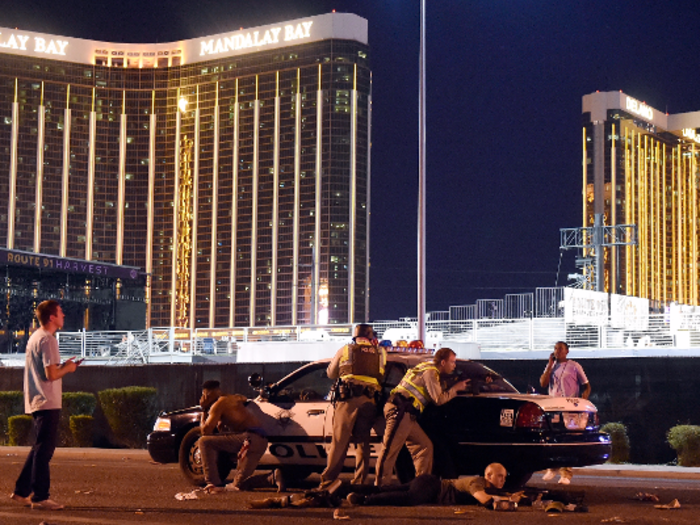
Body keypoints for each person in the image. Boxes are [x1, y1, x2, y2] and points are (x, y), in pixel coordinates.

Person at [11, 300, 80, 511]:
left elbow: (45, 371)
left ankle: (22, 491)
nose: (63, 316)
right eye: (60, 312)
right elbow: (51, 375)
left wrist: (63, 366)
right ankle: (40, 497)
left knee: (38, 448)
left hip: (36, 399)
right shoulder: (49, 340)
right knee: (44, 451)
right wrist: (68, 368)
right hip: (47, 400)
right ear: (52, 317)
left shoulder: (35, 337)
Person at [374, 347, 468, 486]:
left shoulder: (426, 367)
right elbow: (438, 399)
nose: (454, 366)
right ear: (443, 362)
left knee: (424, 446)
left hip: (408, 414)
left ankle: (421, 485)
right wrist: (455, 389)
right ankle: (380, 487)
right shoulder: (430, 372)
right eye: (452, 362)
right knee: (389, 450)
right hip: (400, 411)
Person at [319, 323, 387, 487]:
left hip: (348, 399)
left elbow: (331, 373)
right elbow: (382, 376)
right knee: (363, 442)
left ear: (355, 336)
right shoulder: (381, 352)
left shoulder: (346, 349)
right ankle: (360, 481)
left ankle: (328, 480)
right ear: (371, 337)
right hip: (370, 400)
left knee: (340, 440)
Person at [197, 380, 283, 492]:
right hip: (260, 440)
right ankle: (272, 477)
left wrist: (203, 409)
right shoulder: (234, 398)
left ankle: (213, 483)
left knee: (204, 441)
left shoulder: (218, 404)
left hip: (249, 439)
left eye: (204, 395)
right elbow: (243, 398)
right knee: (240, 484)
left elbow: (205, 431)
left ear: (206, 394)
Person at [346, 463, 523, 508]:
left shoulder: (485, 486)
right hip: (432, 487)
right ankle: (364, 500)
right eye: (499, 476)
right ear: (488, 475)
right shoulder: (477, 483)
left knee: (389, 489)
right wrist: (508, 500)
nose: (503, 480)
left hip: (428, 483)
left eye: (504, 477)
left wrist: (508, 496)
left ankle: (347, 489)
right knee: (409, 499)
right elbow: (485, 500)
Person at [539, 341, 591, 485]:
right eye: (555, 348)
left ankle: (566, 473)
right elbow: (543, 383)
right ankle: (552, 466)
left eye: (560, 349)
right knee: (553, 437)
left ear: (567, 351)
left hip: (569, 407)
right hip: (553, 407)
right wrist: (549, 365)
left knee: (567, 439)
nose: (557, 351)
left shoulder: (574, 366)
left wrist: (581, 402)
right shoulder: (552, 366)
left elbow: (586, 386)